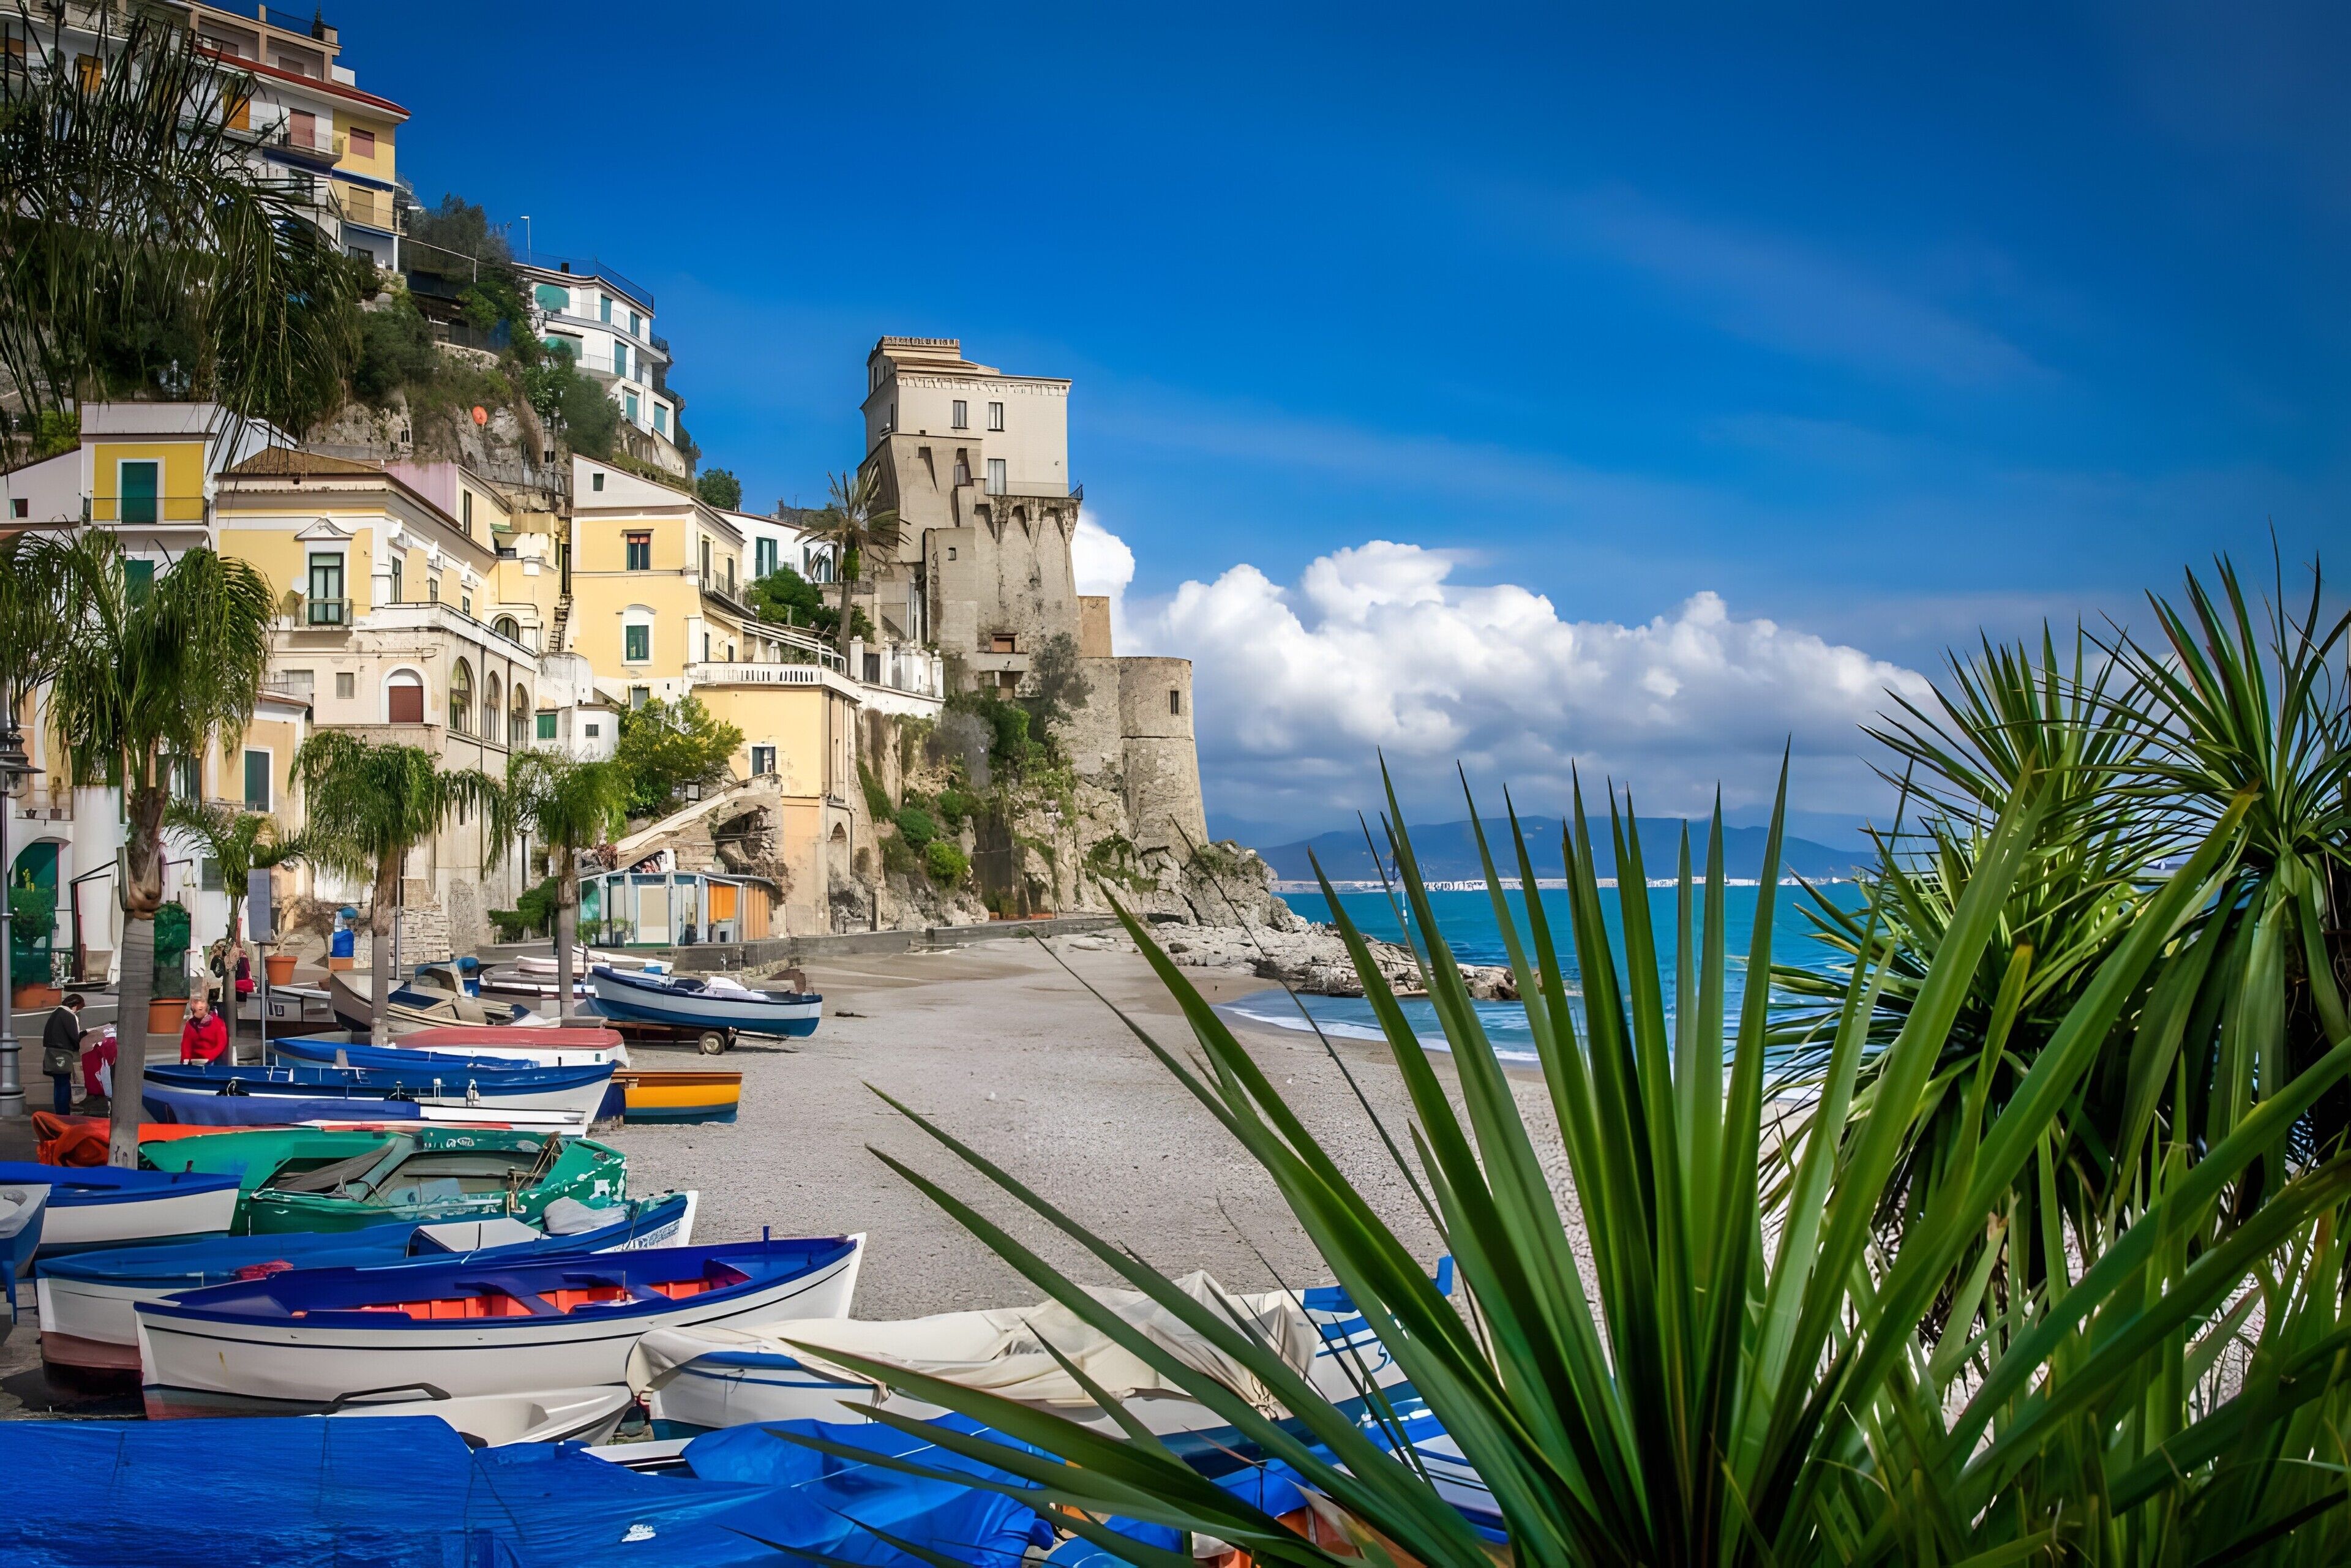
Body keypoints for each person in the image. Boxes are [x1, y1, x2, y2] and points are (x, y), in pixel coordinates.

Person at [40, 992, 85, 1116]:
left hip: (51, 1053)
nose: (79, 1011)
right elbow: (74, 1036)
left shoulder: (57, 1013)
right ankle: (63, 1113)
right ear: (75, 1005)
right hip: (62, 1054)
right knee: (64, 1084)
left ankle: (60, 1111)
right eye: (80, 1008)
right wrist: (79, 1043)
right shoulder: (69, 1016)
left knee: (59, 1084)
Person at [178, 987, 230, 1065]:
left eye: (200, 1009)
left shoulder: (217, 1023)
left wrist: (209, 1057)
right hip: (194, 1060)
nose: (196, 1013)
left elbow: (221, 1044)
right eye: (194, 1010)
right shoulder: (190, 1024)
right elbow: (186, 1044)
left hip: (211, 1059)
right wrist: (185, 1059)